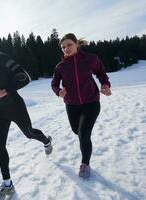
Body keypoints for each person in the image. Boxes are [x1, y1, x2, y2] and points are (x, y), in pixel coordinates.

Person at [0, 31, 53, 199]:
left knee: (29, 133)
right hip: (1, 110)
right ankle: (7, 184)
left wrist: (5, 90)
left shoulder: (2, 58)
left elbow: (25, 78)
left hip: (16, 106)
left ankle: (46, 141)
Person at [51, 33, 111, 179]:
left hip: (91, 102)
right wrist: (59, 91)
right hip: (72, 104)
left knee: (83, 134)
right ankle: (86, 140)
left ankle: (85, 164)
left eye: (69, 45)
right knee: (77, 131)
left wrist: (105, 84)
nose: (66, 49)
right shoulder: (61, 66)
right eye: (63, 47)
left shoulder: (90, 59)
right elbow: (54, 84)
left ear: (76, 44)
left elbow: (101, 73)